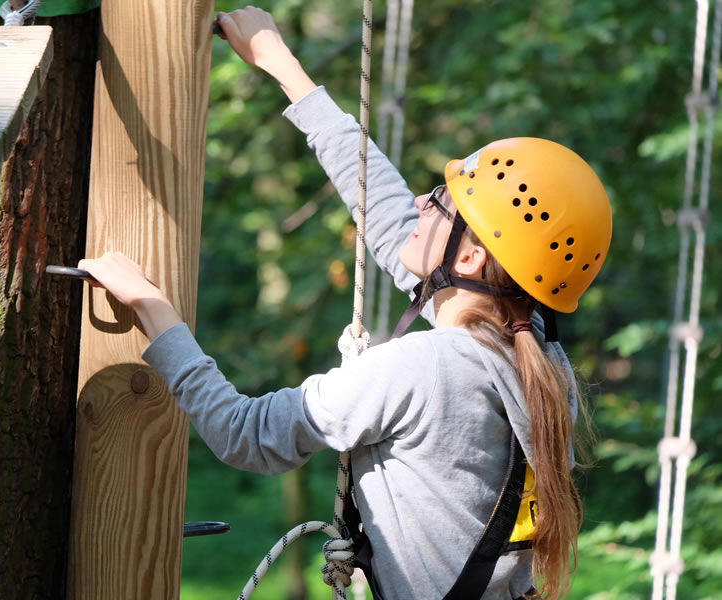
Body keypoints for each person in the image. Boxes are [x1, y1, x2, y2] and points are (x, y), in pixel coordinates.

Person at [78, 7, 612, 600]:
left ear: (469, 260)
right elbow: (385, 217)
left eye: (440, 201)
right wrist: (284, 70)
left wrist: (154, 308)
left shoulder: (423, 368)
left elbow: (246, 433)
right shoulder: (536, 355)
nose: (419, 202)